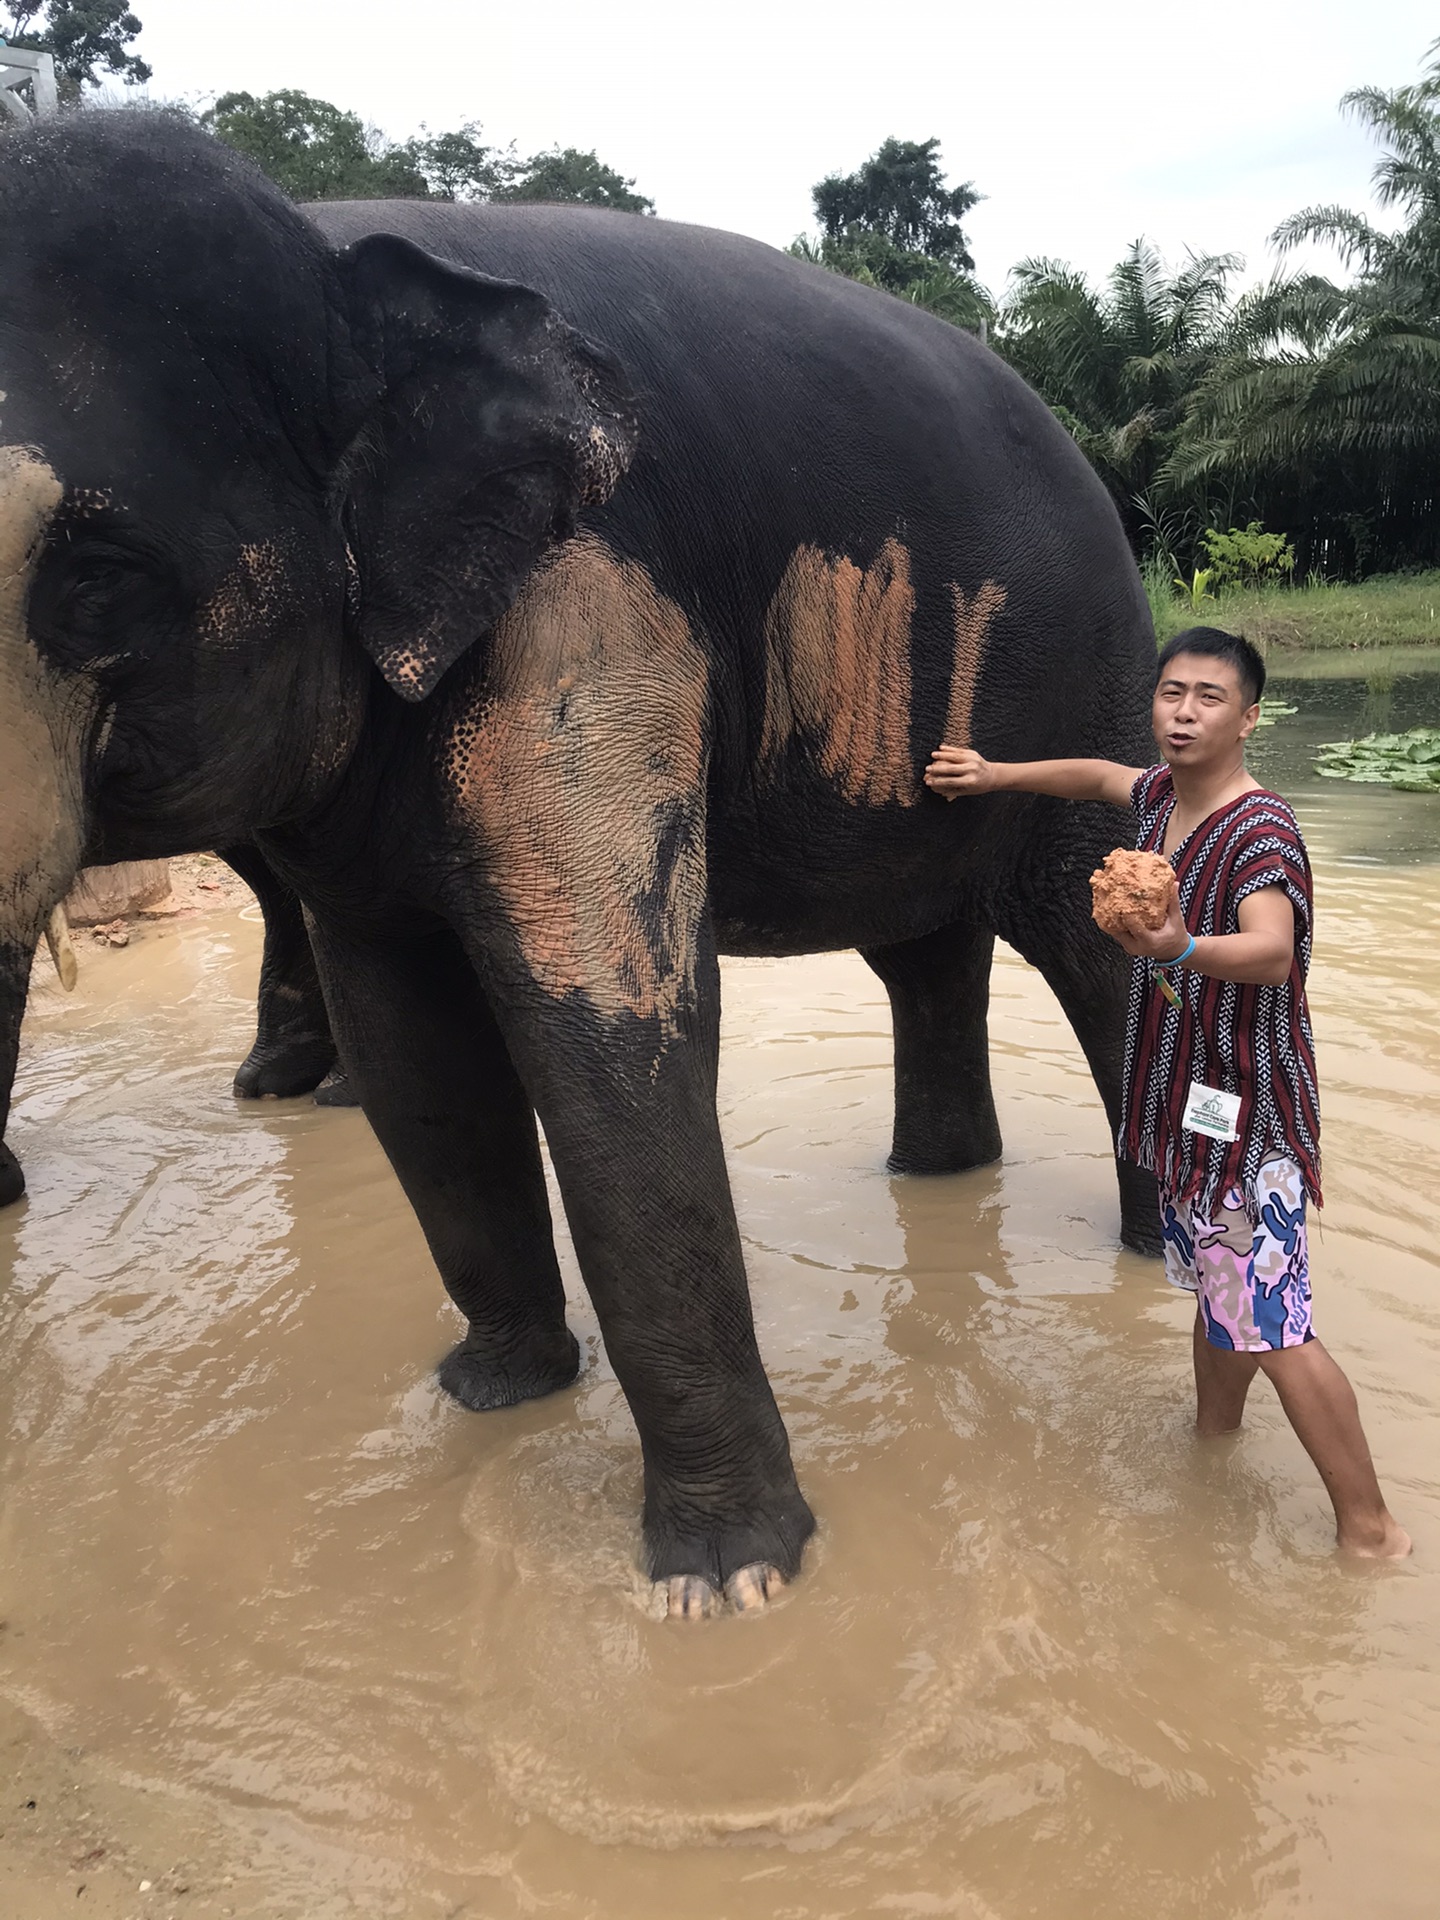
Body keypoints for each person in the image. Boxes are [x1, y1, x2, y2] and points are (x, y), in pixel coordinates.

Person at [924, 625, 1409, 1558]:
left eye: (1209, 698)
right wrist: (995, 775)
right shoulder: (1159, 799)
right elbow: (1096, 775)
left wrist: (1179, 947)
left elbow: (1271, 950)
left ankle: (1372, 1530)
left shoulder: (1260, 830)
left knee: (1274, 1324)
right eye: (1171, 693)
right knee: (1220, 1292)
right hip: (1189, 1107)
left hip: (1249, 1114)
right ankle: (1213, 1443)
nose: (1183, 713)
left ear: (1249, 718)